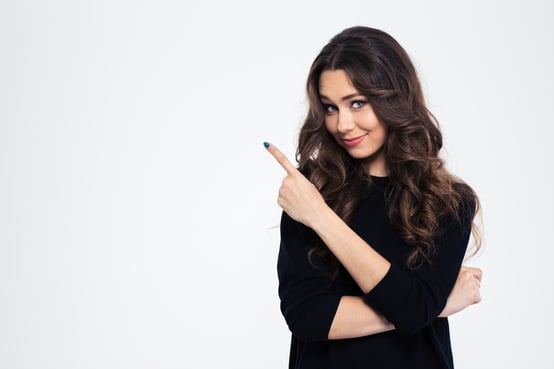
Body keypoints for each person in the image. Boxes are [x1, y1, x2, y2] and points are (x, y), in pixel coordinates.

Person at [263, 26, 483, 369]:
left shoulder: (449, 201)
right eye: (330, 107)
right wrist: (431, 306)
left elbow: (414, 309)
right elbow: (307, 315)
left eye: (357, 103)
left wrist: (321, 219)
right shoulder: (311, 190)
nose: (343, 124)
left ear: (394, 98)